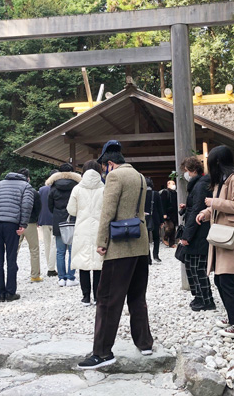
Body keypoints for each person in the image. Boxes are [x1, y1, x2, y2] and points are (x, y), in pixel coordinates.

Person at [77, 143, 153, 369]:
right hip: (140, 243)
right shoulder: (139, 176)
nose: (104, 172)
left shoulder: (115, 177)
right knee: (137, 297)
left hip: (120, 245)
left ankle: (102, 352)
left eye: (104, 168)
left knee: (108, 299)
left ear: (109, 164)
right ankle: (145, 343)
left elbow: (107, 212)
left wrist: (101, 242)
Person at [196, 145, 234, 338]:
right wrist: (205, 213)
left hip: (233, 237)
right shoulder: (222, 181)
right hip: (222, 236)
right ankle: (233, 318)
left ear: (218, 162)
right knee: (220, 278)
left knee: (229, 280)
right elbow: (218, 205)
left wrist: (212, 203)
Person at [0, 168, 35, 302]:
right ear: (25, 177)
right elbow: (27, 205)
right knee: (11, 258)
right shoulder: (26, 186)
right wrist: (23, 224)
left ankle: (1, 293)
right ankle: (10, 292)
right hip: (12, 224)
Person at [178, 157, 215, 311]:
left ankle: (206, 300)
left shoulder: (199, 186)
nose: (185, 174)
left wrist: (186, 236)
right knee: (194, 266)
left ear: (191, 170)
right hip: (200, 230)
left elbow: (196, 211)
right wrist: (187, 206)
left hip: (198, 232)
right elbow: (196, 207)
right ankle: (200, 297)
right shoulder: (201, 184)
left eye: (186, 171)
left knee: (197, 267)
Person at [67, 160, 104, 306]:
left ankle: (85, 297)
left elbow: (71, 210)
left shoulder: (77, 189)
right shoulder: (104, 188)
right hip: (99, 229)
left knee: (83, 263)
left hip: (82, 229)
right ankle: (97, 296)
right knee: (97, 264)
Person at [47, 163, 81, 287]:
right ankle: (71, 277)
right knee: (72, 251)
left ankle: (61, 278)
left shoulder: (53, 187)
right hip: (73, 220)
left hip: (58, 221)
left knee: (60, 251)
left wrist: (57, 214)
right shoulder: (77, 186)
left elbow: (50, 206)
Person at [17, 170, 42, 282]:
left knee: (13, 249)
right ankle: (35, 275)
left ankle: (10, 272)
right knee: (34, 249)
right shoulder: (33, 192)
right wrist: (36, 219)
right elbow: (38, 207)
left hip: (16, 223)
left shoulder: (14, 190)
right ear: (28, 178)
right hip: (30, 222)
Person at [38, 170, 58, 277]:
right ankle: (51, 268)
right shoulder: (58, 188)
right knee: (55, 243)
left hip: (44, 219)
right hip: (55, 219)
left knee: (46, 243)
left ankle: (49, 266)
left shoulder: (41, 189)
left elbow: (38, 204)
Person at [144, 177, 162, 263]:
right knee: (156, 238)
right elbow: (160, 208)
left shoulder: (141, 194)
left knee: (146, 239)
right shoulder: (156, 194)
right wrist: (162, 221)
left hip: (144, 218)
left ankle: (148, 258)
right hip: (155, 217)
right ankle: (156, 255)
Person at [160, 179, 178, 247]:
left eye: (174, 184)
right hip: (168, 213)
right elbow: (163, 203)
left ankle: (172, 243)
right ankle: (165, 237)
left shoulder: (175, 193)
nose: (174, 185)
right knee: (170, 227)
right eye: (172, 184)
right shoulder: (165, 192)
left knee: (173, 228)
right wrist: (164, 213)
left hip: (174, 213)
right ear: (168, 185)